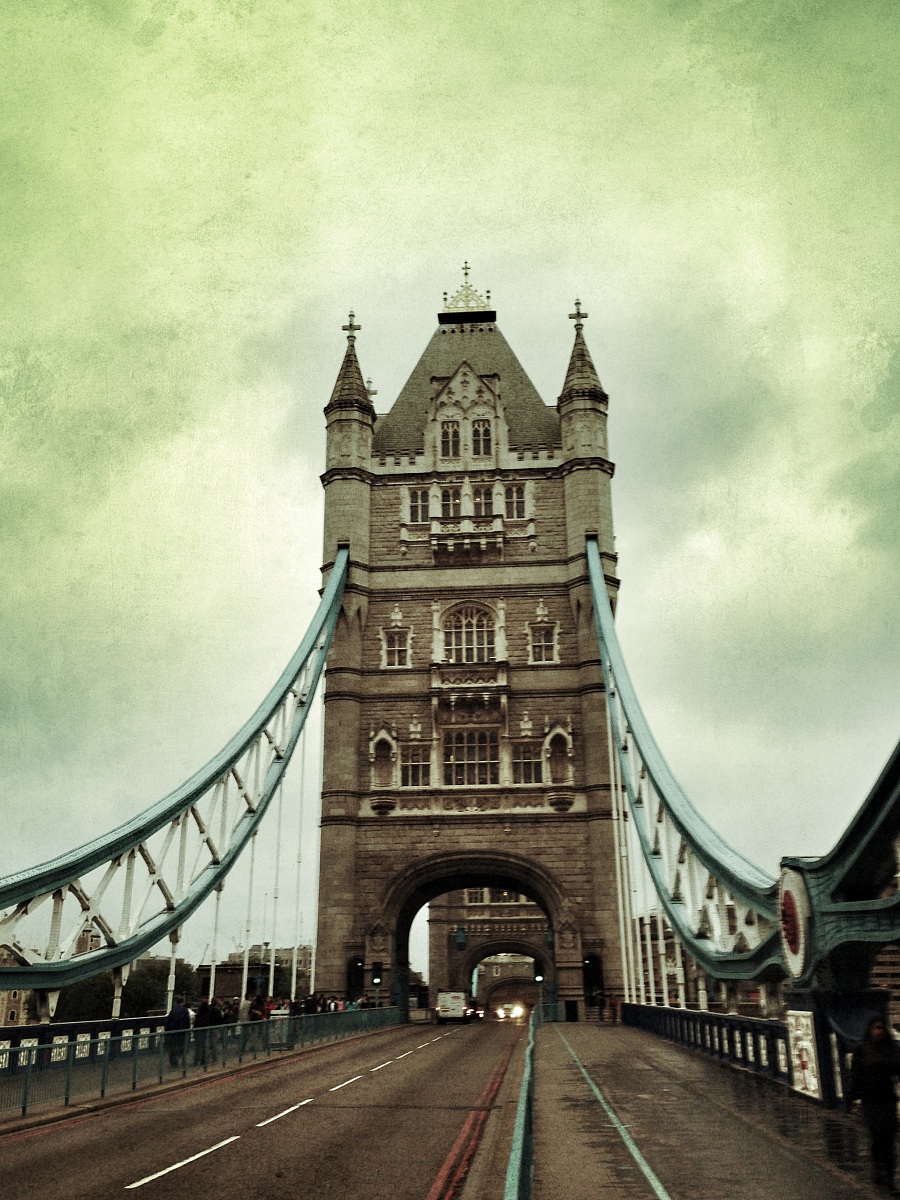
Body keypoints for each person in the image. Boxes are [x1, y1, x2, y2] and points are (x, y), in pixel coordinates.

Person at [850, 1016, 900, 1194]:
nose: (879, 1031)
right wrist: (852, 1100)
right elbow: (855, 1077)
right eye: (875, 1028)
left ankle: (890, 1179)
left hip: (888, 1100)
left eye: (881, 1028)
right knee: (877, 1138)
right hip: (870, 1101)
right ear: (870, 1030)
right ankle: (879, 1174)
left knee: (889, 1140)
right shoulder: (862, 1050)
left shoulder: (891, 1049)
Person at [164, 995, 191, 1067]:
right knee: (182, 1046)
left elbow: (168, 1022)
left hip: (173, 1031)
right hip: (182, 1032)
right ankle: (180, 1060)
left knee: (173, 1047)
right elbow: (187, 1022)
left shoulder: (173, 1010)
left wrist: (167, 1031)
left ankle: (173, 1062)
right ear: (182, 1002)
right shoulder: (185, 1010)